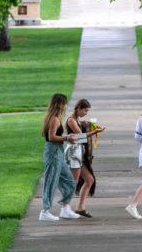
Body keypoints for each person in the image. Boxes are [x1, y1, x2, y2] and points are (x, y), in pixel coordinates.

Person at [39, 93, 103, 221]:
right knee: (51, 181)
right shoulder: (55, 119)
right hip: (53, 152)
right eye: (64, 103)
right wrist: (66, 137)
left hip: (58, 152)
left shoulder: (56, 118)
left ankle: (65, 209)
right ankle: (45, 211)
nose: (66, 106)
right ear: (60, 104)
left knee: (69, 181)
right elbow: (51, 137)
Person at [65, 99, 103, 217]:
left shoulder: (77, 119)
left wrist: (90, 127)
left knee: (89, 180)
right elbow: (81, 137)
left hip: (79, 153)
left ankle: (80, 208)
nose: (86, 113)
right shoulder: (71, 120)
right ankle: (65, 207)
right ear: (79, 108)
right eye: (85, 110)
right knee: (74, 181)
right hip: (74, 153)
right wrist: (94, 131)